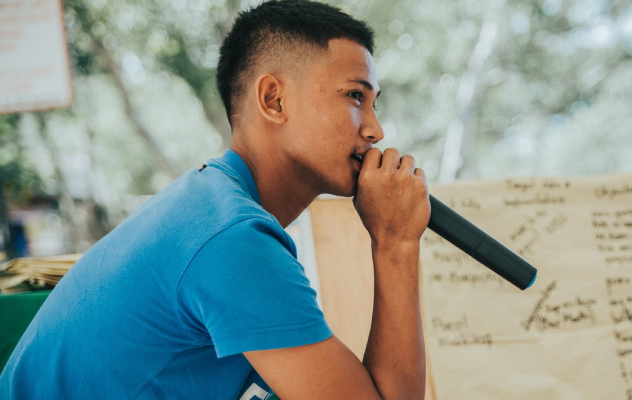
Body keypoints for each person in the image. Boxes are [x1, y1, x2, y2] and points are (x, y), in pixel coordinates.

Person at [0, 0, 430, 398]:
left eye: (373, 104)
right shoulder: (230, 239)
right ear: (273, 100)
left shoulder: (211, 204)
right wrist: (396, 243)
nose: (376, 130)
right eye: (356, 96)